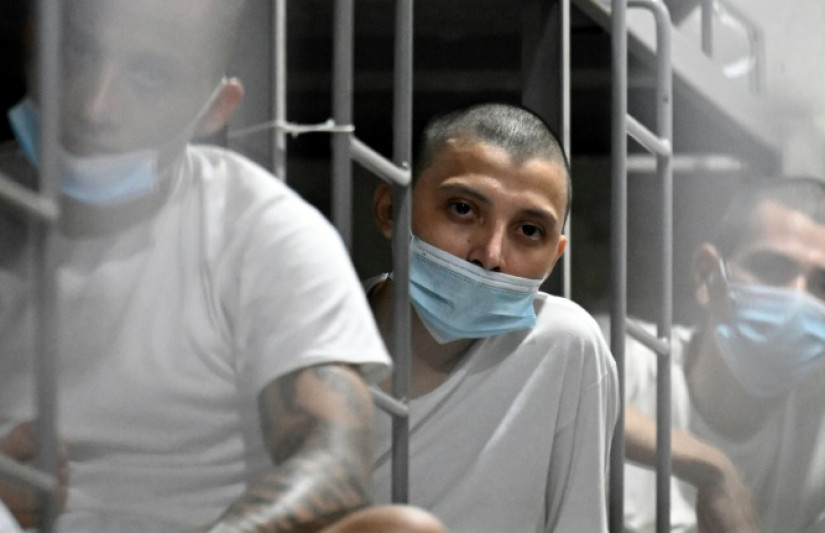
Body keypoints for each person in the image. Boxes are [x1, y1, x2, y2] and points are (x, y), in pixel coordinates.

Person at [0, 1, 445, 531]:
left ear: (216, 107)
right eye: (77, 52)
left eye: (149, 75)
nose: (95, 104)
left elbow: (335, 467)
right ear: (35, 42)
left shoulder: (260, 229)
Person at [366, 103, 619, 532]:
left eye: (529, 230)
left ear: (555, 257)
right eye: (463, 209)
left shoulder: (562, 345)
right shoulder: (315, 335)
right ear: (391, 209)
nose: (490, 254)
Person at [620, 177, 825, 532]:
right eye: (771, 268)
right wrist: (712, 469)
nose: (796, 301)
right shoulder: (629, 360)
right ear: (708, 276)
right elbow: (561, 393)